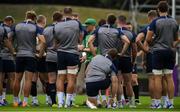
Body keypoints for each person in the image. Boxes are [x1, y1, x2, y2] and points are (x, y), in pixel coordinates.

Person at [88, 14, 130, 108]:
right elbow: (127, 41)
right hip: (113, 58)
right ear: (115, 22)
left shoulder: (99, 29)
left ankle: (103, 100)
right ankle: (113, 101)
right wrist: (122, 53)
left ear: (107, 20)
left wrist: (95, 55)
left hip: (102, 58)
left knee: (100, 77)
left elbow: (89, 41)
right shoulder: (117, 30)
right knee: (115, 80)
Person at [145, 1, 179, 109]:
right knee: (169, 77)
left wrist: (155, 42)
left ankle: (158, 103)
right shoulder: (174, 22)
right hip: (170, 52)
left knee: (158, 78)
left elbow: (148, 39)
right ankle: (170, 103)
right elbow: (177, 39)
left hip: (158, 51)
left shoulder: (155, 22)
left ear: (158, 10)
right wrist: (172, 45)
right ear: (168, 10)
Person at [13, 10, 46, 107]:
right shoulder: (35, 27)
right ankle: (25, 102)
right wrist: (39, 52)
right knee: (28, 80)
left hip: (19, 55)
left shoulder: (17, 26)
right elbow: (43, 41)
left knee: (17, 79)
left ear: (26, 16)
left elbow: (9, 38)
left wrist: (14, 50)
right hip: (30, 56)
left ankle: (15, 101)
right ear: (34, 18)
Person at [54, 7, 83, 108]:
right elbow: (81, 37)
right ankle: (67, 103)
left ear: (62, 13)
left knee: (60, 78)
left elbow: (55, 42)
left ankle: (60, 103)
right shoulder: (77, 23)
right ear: (71, 13)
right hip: (72, 53)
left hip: (61, 53)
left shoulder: (57, 25)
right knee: (71, 79)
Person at [30, 14, 51, 106]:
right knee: (46, 80)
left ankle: (34, 100)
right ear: (44, 21)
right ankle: (48, 99)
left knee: (33, 79)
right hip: (42, 56)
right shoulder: (43, 30)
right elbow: (44, 42)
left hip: (32, 55)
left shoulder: (31, 29)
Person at [43, 11, 63, 107]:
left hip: (49, 56)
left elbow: (43, 44)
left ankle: (53, 102)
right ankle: (61, 102)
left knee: (51, 80)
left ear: (53, 18)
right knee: (61, 79)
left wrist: (40, 55)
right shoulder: (62, 28)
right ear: (61, 19)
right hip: (60, 57)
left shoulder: (46, 29)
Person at [116, 15, 137, 108]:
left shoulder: (114, 32)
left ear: (118, 21)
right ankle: (132, 103)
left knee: (118, 82)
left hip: (116, 58)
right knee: (128, 82)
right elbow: (134, 49)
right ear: (125, 22)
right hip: (127, 59)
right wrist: (133, 60)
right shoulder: (131, 33)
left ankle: (120, 103)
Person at [1, 16, 15, 105]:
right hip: (8, 56)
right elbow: (8, 42)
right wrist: (13, 51)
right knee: (12, 78)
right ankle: (15, 100)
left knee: (3, 80)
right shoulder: (8, 30)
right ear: (9, 21)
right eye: (11, 23)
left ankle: (2, 99)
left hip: (0, 56)